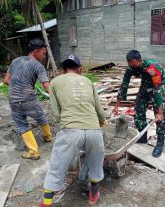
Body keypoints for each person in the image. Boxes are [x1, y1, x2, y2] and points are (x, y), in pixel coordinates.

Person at [40, 54, 107, 207]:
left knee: (57, 167)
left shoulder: (55, 82)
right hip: (93, 130)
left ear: (64, 69)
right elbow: (100, 110)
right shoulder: (88, 81)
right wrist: (102, 122)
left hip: (70, 130)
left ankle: (46, 203)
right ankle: (92, 197)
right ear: (80, 69)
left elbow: (56, 113)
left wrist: (64, 123)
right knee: (96, 164)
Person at [3, 39, 52, 160]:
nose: (44, 56)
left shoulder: (15, 61)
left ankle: (33, 151)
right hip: (29, 98)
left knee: (21, 124)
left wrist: (18, 88)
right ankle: (48, 136)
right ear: (35, 52)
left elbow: (6, 81)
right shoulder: (38, 66)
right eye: (43, 53)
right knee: (40, 116)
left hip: (13, 99)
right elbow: (47, 88)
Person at [113, 50, 165, 158]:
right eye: (130, 65)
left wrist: (159, 111)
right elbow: (124, 85)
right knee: (138, 109)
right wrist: (117, 105)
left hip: (158, 85)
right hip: (145, 84)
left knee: (160, 114)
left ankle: (160, 143)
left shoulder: (152, 68)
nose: (133, 68)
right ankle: (142, 137)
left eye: (134, 65)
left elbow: (157, 91)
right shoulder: (130, 68)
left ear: (140, 61)